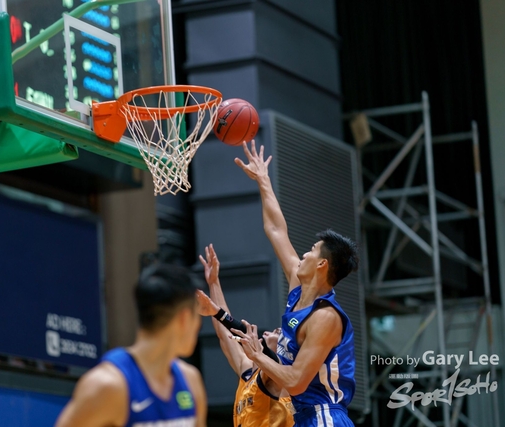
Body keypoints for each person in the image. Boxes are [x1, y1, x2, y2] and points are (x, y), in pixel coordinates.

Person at [232, 141, 359, 427]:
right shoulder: (298, 290)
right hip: (303, 417)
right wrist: (263, 180)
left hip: (324, 417)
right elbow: (276, 229)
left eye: (311, 250)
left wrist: (257, 355)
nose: (303, 255)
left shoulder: (325, 317)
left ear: (322, 264)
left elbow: (297, 382)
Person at [55, 263, 207, 427]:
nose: (199, 325)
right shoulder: (108, 386)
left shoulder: (190, 380)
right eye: (197, 316)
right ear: (184, 318)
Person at [196, 244, 294, 427]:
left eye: (276, 333)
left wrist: (218, 312)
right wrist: (214, 282)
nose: (269, 331)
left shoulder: (276, 375)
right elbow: (224, 333)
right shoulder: (247, 370)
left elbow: (270, 365)